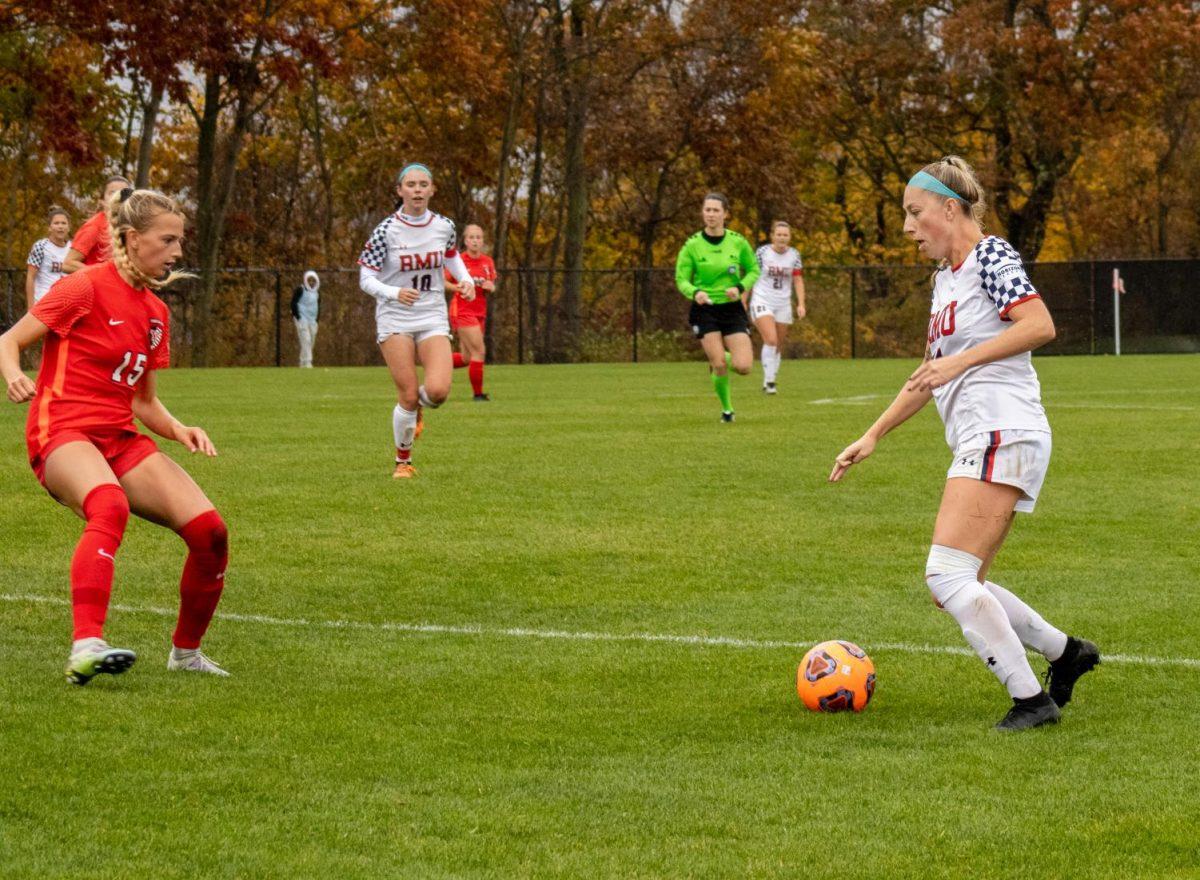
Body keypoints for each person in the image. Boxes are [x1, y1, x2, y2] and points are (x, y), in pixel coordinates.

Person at [829, 156, 1099, 731]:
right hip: (990, 433)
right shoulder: (945, 280)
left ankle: (1031, 702)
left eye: (914, 213)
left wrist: (962, 362)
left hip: (1003, 427)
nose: (907, 227)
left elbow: (1039, 324)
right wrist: (872, 433)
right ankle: (1066, 652)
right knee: (956, 584)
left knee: (945, 576)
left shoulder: (991, 256)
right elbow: (930, 371)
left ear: (949, 209)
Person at [0, 188, 231, 685]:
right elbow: (10, 339)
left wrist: (179, 428)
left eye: (180, 241)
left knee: (210, 533)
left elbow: (144, 401)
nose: (177, 252)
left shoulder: (155, 314)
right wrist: (12, 372)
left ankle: (186, 654)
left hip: (119, 437)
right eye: (167, 240)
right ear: (132, 238)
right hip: (61, 429)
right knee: (108, 505)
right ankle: (87, 645)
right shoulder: (83, 288)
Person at [358, 163, 475, 478]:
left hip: (432, 314)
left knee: (437, 391)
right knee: (407, 394)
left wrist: (466, 280)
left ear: (433, 189)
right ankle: (403, 462)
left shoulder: (444, 226)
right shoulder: (386, 231)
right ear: (400, 191)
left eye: (424, 184)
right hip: (395, 316)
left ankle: (418, 408)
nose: (418, 190)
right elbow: (365, 279)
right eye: (411, 184)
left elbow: (451, 256)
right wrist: (394, 292)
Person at [674, 192, 760, 422]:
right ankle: (727, 410)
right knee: (719, 365)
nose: (710, 214)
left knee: (744, 367)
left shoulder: (738, 242)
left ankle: (721, 357)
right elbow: (681, 278)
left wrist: (740, 287)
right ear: (703, 213)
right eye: (707, 210)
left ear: (725, 214)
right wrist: (695, 292)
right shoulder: (692, 245)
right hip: (705, 309)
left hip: (731, 309)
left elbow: (754, 270)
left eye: (715, 210)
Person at [749, 221, 806, 394]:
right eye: (779, 234)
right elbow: (751, 275)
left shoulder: (794, 255)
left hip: (783, 302)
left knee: (779, 344)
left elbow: (797, 279)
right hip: (762, 299)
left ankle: (771, 378)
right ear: (772, 236)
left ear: (789, 237)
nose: (782, 238)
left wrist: (801, 304)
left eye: (785, 235)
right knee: (771, 339)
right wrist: (743, 299)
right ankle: (770, 382)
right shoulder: (762, 253)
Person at [444, 224, 497, 401]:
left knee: (468, 357)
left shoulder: (487, 262)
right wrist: (458, 287)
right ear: (465, 241)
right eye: (471, 237)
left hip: (479, 311)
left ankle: (436, 364)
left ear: (482, 241)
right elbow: (442, 281)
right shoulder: (459, 261)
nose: (475, 241)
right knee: (479, 352)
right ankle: (478, 395)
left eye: (479, 237)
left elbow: (490, 284)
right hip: (462, 310)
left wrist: (490, 287)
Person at [63, 175, 131, 273]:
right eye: (112, 192)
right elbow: (68, 264)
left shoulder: (131, 225)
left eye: (123, 193)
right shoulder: (94, 226)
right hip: (97, 286)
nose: (118, 196)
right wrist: (102, 276)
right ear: (102, 201)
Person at [26, 206, 72, 309]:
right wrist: (30, 307)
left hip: (65, 305)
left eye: (63, 223)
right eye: (56, 223)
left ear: (69, 227)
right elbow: (30, 277)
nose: (60, 226)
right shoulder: (41, 246)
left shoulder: (73, 249)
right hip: (43, 304)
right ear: (49, 227)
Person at [290, 269, 320, 368]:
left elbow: (318, 306)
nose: (311, 282)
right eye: (309, 280)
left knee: (311, 340)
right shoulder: (300, 289)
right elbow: (293, 303)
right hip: (302, 318)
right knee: (305, 339)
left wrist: (316, 320)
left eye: (313, 280)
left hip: (312, 320)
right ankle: (308, 362)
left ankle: (303, 362)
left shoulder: (317, 293)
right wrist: (297, 317)